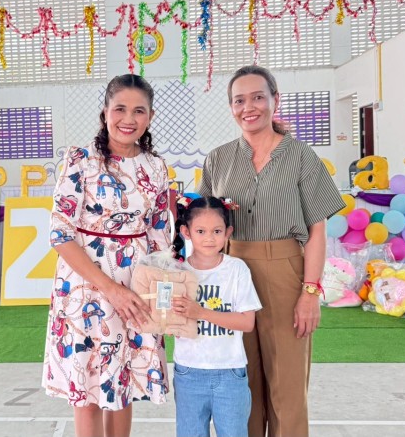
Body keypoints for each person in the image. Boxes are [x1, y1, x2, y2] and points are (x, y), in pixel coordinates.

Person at [198, 65, 345, 437]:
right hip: (230, 273)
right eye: (239, 100)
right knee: (240, 385)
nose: (249, 107)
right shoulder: (217, 159)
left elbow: (317, 231)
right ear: (231, 107)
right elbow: (202, 224)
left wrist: (310, 293)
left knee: (287, 386)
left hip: (285, 273)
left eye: (258, 97)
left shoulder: (301, 156)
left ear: (275, 100)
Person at [42, 74, 172, 437]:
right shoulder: (80, 160)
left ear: (150, 116)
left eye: (139, 111)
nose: (128, 119)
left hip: (138, 286)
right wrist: (111, 290)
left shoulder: (156, 167)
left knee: (123, 385)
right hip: (86, 287)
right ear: (105, 112)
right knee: (88, 390)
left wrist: (162, 302)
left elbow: (161, 238)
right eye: (120, 109)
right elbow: (60, 234)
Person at [170, 196, 262, 437]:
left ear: (228, 232)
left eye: (217, 231)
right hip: (188, 372)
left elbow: (247, 322)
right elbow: (166, 321)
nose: (209, 238)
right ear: (186, 232)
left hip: (230, 372)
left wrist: (200, 312)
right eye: (200, 231)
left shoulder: (236, 269)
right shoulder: (176, 271)